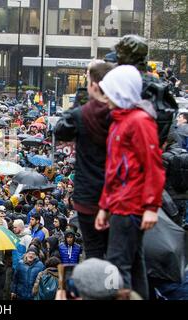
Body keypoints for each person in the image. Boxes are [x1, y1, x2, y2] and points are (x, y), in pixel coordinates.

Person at [95, 65, 166, 300]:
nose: (105, 97)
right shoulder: (119, 121)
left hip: (130, 205)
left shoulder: (138, 121)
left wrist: (151, 207)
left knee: (117, 266)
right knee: (134, 265)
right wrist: (105, 206)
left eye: (109, 92)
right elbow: (113, 170)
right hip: (122, 204)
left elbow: (153, 165)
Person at [54, 60, 114, 260]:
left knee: (94, 251)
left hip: (89, 195)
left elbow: (60, 129)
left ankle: (96, 289)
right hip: (117, 194)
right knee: (117, 252)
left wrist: (77, 104)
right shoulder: (123, 113)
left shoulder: (82, 114)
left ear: (94, 85)